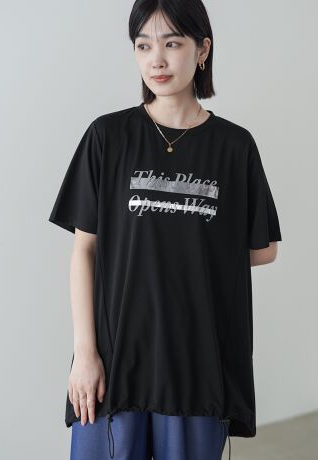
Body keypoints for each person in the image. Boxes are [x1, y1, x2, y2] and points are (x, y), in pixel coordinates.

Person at [49, 1, 282, 459]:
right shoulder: (107, 137)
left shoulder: (234, 147)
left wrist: (189, 252)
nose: (156, 59)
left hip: (197, 363)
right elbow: (85, 251)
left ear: (202, 50)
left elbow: (265, 247)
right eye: (143, 46)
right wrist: (84, 353)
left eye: (172, 43)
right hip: (114, 361)